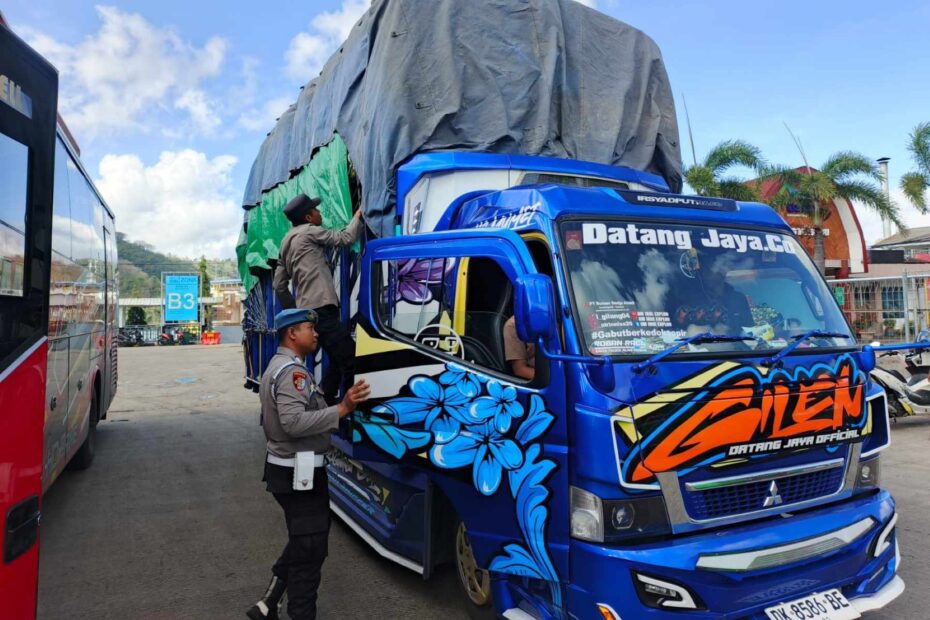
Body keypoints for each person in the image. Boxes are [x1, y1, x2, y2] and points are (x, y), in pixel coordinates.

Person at [247, 308, 370, 620]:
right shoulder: (293, 373)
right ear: (292, 334)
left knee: (306, 540)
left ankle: (269, 602)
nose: (316, 334)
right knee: (309, 552)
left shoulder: (278, 366)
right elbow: (292, 422)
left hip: (289, 471)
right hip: (297, 474)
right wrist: (342, 409)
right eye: (309, 328)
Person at [273, 193, 364, 402]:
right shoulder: (310, 232)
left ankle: (325, 397)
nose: (320, 213)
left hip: (308, 314)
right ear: (308, 217)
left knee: (336, 356)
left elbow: (279, 285)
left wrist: (296, 312)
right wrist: (358, 215)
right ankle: (348, 411)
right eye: (316, 210)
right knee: (351, 358)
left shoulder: (286, 242)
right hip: (322, 309)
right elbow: (346, 238)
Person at [503, 316, 535, 380]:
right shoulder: (514, 325)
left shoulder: (556, 316)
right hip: (542, 377)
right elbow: (520, 370)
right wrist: (556, 378)